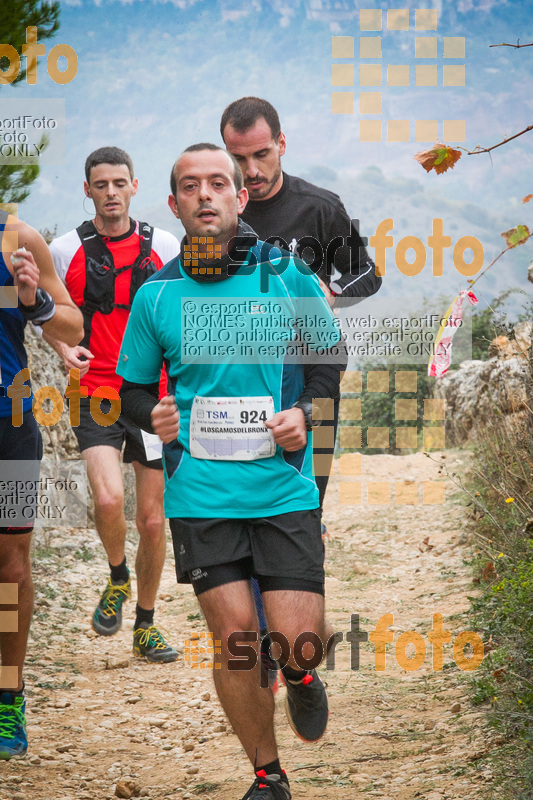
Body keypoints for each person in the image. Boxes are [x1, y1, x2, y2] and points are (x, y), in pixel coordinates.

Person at [117, 143, 346, 800]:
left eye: (219, 183)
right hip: (201, 495)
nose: (206, 195)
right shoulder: (157, 292)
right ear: (174, 204)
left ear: (240, 197)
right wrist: (151, 416)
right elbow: (130, 388)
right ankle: (266, 775)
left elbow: (327, 356)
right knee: (237, 641)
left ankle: (301, 674)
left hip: (280, 489)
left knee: (298, 641)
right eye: (191, 186)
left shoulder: (284, 274)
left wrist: (304, 411)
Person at [46, 146, 180, 663]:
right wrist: (63, 350)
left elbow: (181, 309)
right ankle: (118, 577)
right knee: (106, 501)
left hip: (150, 395)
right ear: (87, 191)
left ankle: (146, 624)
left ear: (134, 186)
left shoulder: (163, 244)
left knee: (152, 520)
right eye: (100, 185)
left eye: (119, 183)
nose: (110, 193)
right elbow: (47, 314)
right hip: (95, 394)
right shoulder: (64, 249)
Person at [220, 96, 382, 510]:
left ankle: (312, 540)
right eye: (238, 158)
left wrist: (331, 293)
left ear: (282, 144)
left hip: (314, 370)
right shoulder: (217, 214)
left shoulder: (319, 207)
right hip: (239, 374)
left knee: (308, 499)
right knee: (243, 503)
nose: (251, 171)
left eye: (262, 154)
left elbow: (367, 273)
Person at [0, 210, 83, 759]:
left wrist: (35, 303)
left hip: (9, 426)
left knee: (10, 566)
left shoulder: (15, 239)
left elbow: (72, 328)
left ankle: (8, 697)